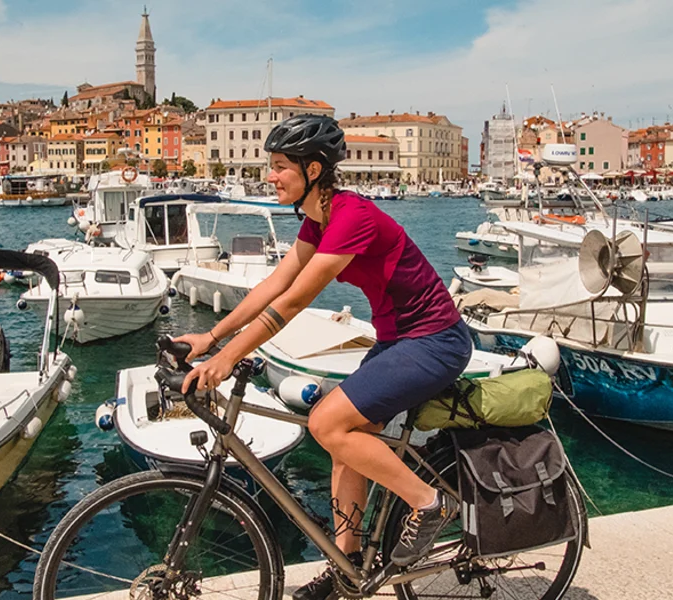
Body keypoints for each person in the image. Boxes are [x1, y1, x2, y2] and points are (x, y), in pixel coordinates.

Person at [176, 114, 472, 600]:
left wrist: (228, 358)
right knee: (344, 440)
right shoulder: (320, 219)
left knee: (326, 424)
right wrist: (212, 336)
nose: (268, 176)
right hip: (398, 340)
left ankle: (430, 503)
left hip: (435, 340)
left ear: (313, 170)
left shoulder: (351, 217)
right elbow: (277, 283)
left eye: (278, 167)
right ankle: (347, 569)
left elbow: (292, 304)